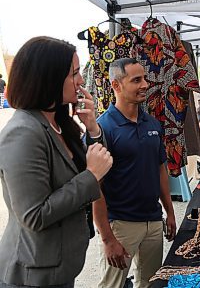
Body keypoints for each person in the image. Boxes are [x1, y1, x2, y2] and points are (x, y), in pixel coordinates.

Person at [0, 36, 113, 287]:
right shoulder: (23, 133)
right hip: (31, 274)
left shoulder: (58, 123)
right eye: (74, 73)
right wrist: (90, 177)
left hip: (58, 268)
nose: (81, 80)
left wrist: (93, 129)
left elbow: (100, 164)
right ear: (48, 78)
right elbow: (34, 215)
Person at [94, 58, 177, 288]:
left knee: (150, 283)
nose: (145, 85)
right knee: (112, 285)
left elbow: (159, 168)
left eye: (144, 78)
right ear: (116, 86)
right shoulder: (103, 129)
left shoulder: (152, 124)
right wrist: (107, 238)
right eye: (136, 80)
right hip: (121, 224)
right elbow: (94, 188)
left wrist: (169, 212)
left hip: (152, 220)